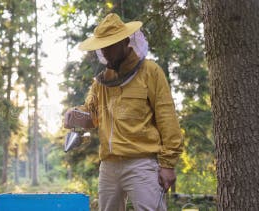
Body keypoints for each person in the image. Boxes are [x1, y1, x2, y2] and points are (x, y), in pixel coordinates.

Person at [64, 13, 183, 211]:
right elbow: (91, 115)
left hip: (142, 164)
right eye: (102, 46)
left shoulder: (150, 72)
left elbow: (167, 118)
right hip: (109, 166)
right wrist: (74, 114)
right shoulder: (101, 82)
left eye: (110, 45)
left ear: (126, 42)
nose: (105, 52)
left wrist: (168, 164)